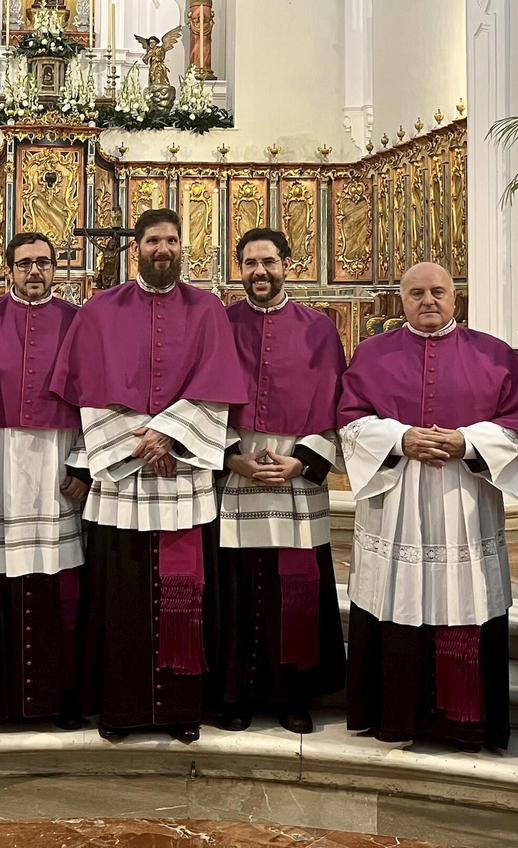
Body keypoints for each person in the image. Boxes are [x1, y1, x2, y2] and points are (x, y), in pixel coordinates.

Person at [49, 208, 247, 743]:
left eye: (173, 240)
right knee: (124, 598)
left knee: (186, 595)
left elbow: (217, 382)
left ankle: (183, 710)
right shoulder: (100, 309)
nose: (164, 248)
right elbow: (88, 387)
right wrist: (145, 442)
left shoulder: (207, 309)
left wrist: (172, 437)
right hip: (124, 473)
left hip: (181, 473)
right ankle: (122, 709)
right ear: (136, 247)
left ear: (184, 247)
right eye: (154, 240)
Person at [338, 262, 518, 751]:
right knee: (394, 597)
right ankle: (395, 717)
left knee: (461, 598)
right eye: (417, 293)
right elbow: (350, 419)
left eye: (438, 292)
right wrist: (401, 438)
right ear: (400, 300)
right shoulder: (372, 353)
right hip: (396, 500)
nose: (428, 301)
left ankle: (462, 721)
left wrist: (465, 442)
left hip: (463, 501)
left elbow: (516, 424)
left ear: (454, 298)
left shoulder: (495, 354)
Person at [215, 228, 348, 734]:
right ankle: (234, 693)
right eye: (249, 263)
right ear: (239, 268)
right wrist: (232, 458)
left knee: (296, 586)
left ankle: (294, 695)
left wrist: (303, 462)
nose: (259, 272)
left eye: (268, 261)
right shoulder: (221, 323)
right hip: (237, 469)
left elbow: (339, 406)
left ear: (288, 264)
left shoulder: (320, 329)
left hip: (296, 468)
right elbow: (202, 402)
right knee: (238, 587)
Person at [0, 231, 89, 730]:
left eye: (44, 263)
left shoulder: (80, 323)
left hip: (57, 468)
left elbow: (97, 401)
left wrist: (83, 465)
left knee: (60, 584)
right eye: (25, 263)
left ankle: (59, 700)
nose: (35, 272)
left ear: (56, 270)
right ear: (7, 270)